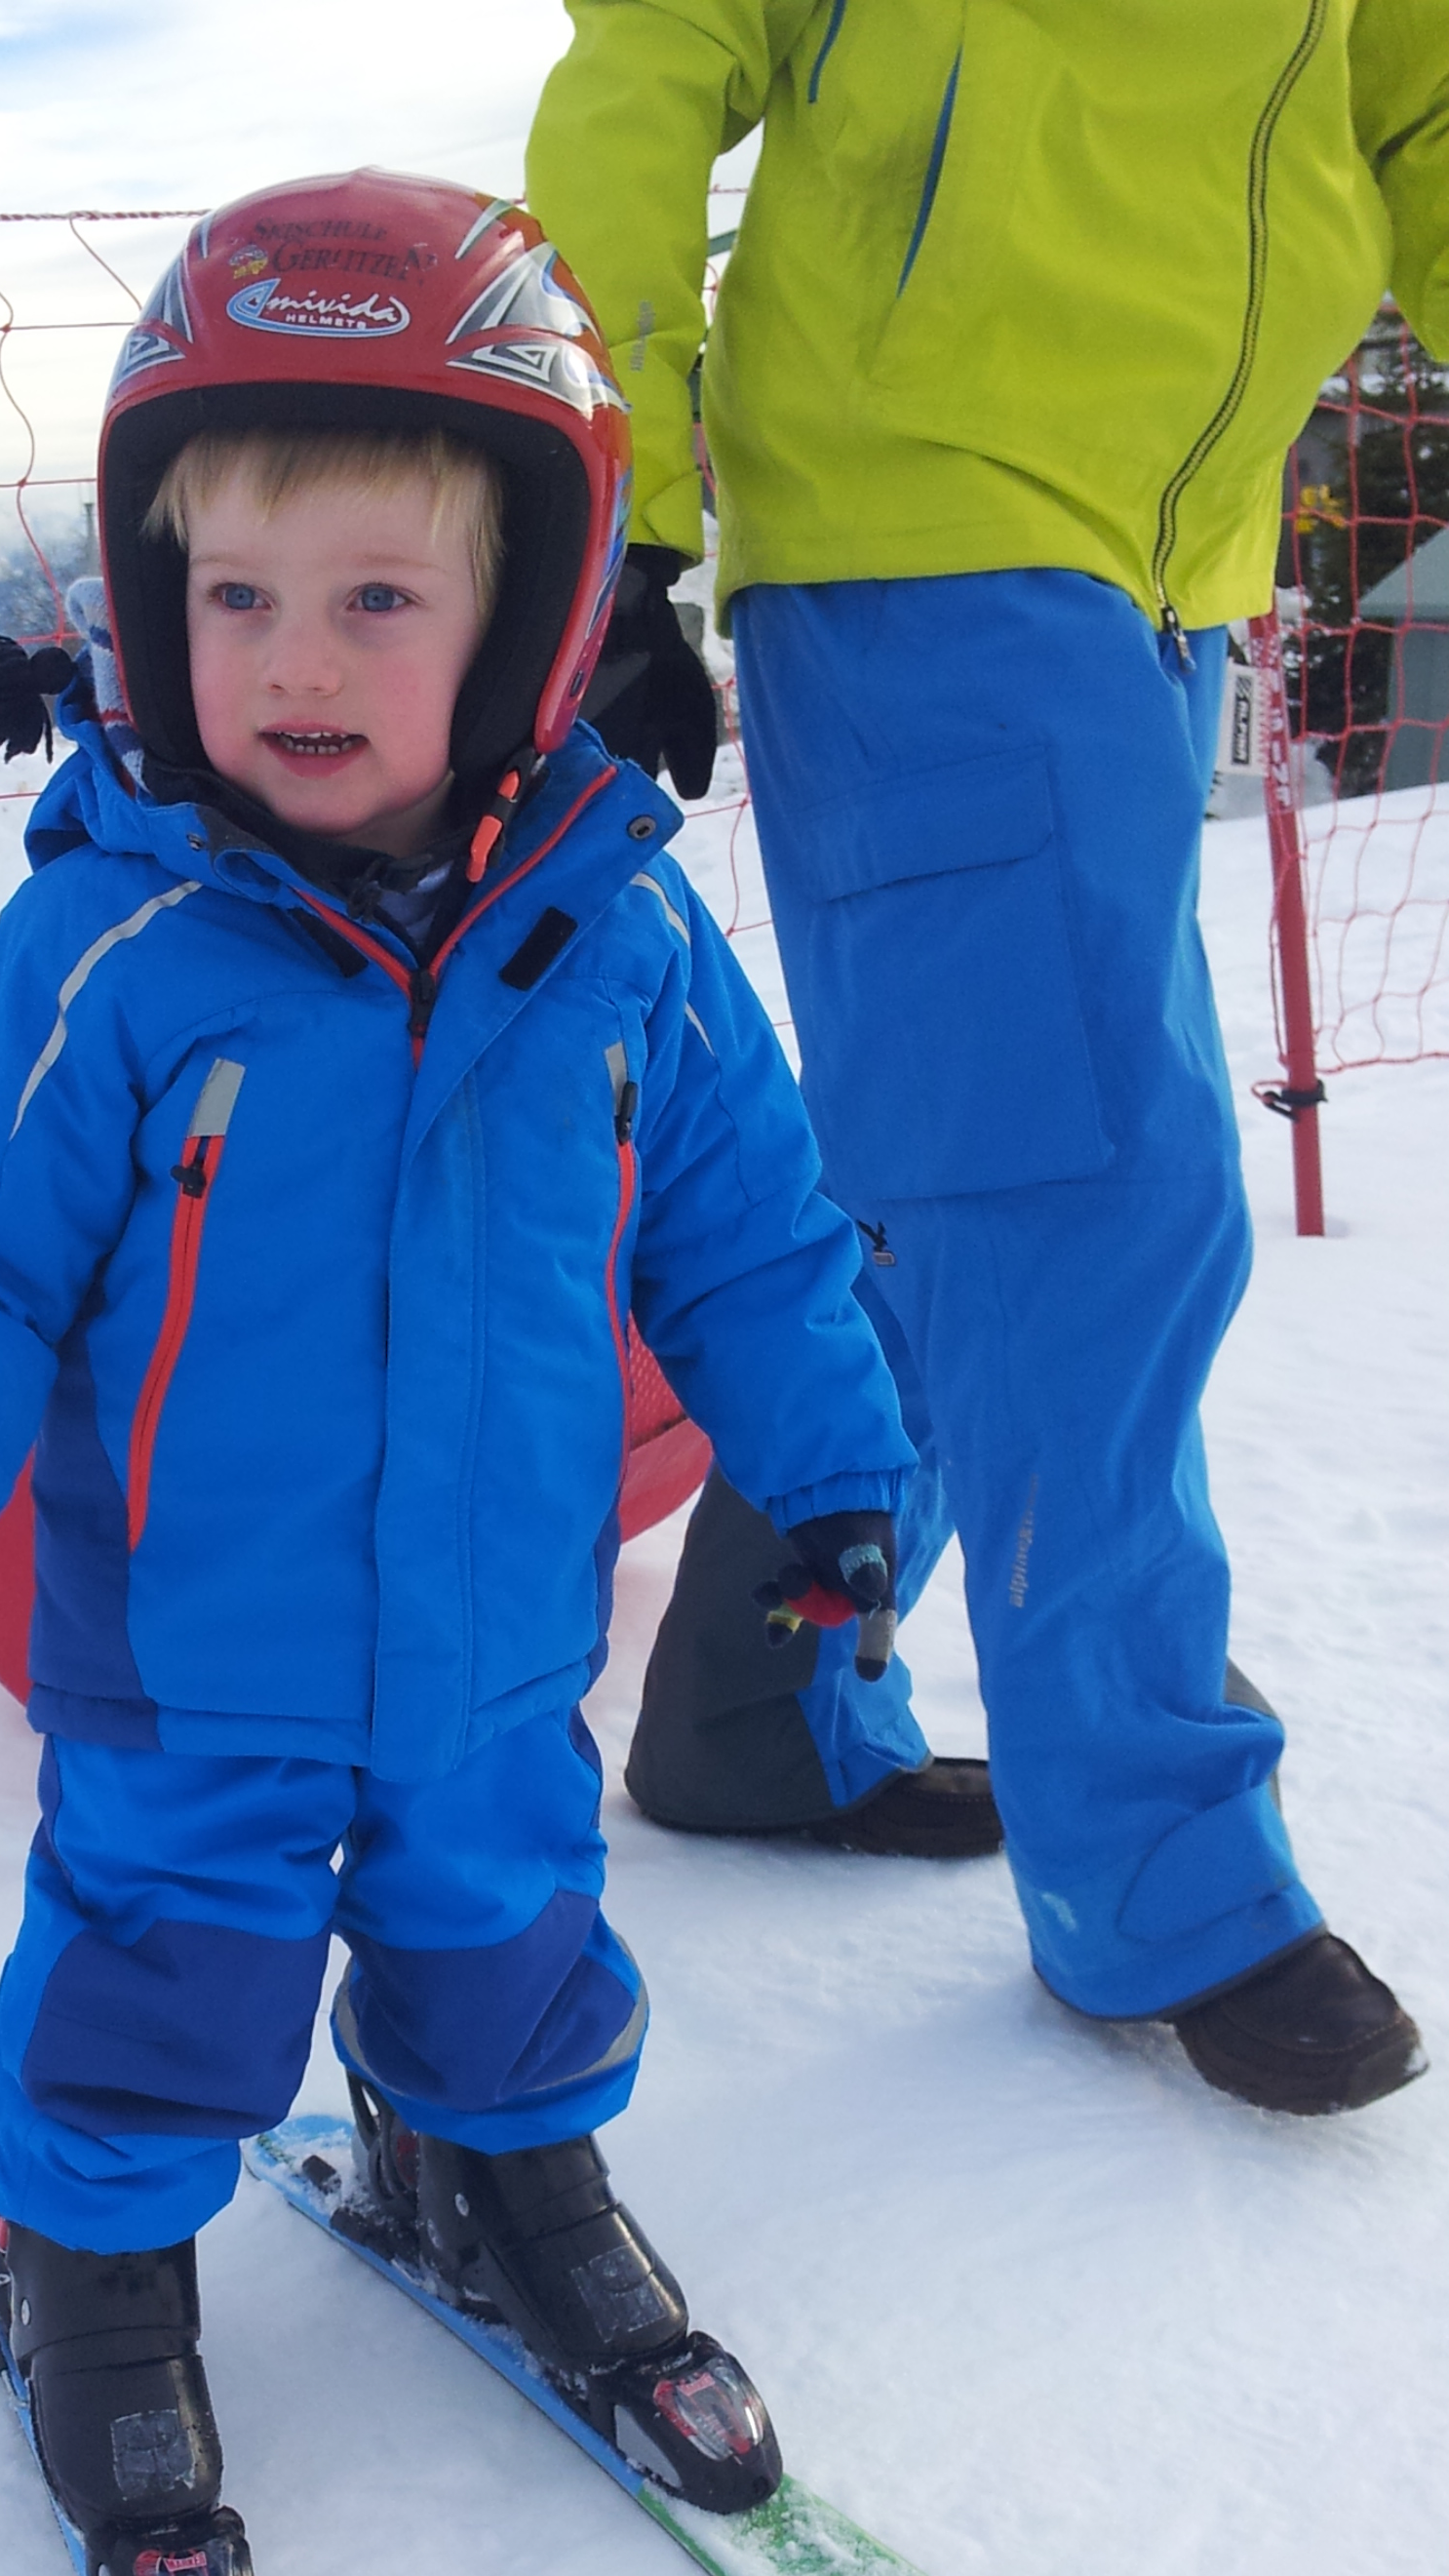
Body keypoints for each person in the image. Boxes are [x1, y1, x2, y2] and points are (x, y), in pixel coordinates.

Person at [0, 174, 915, 2576]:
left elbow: (757, 1245)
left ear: (532, 620)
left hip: (495, 1641)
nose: (292, 657)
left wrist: (837, 1482)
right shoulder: (116, 944)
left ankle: (505, 2170)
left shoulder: (621, 935)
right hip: (194, 1664)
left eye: (379, 596)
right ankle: (95, 2280)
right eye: (237, 593)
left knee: (509, 1930)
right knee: (159, 1981)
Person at [528, 2, 1442, 2114]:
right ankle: (1164, 1874)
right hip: (927, 528)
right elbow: (654, 56)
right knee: (1093, 1212)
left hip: (1174, 561)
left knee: (959, 1175)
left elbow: (1423, 107)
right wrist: (613, 492)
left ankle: (759, 1710)